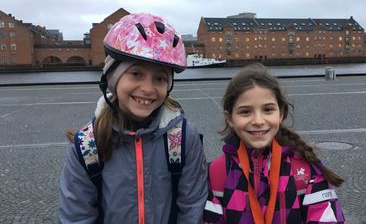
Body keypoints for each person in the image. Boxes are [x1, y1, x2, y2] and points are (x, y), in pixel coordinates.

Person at [58, 13, 208, 224]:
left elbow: (192, 209)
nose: (147, 88)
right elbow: (76, 217)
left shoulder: (183, 138)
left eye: (159, 78)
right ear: (112, 77)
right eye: (136, 74)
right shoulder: (87, 146)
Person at [204, 63, 345, 223]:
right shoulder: (217, 173)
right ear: (230, 118)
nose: (258, 121)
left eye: (268, 109)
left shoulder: (305, 172)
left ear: (281, 114)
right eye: (245, 112)